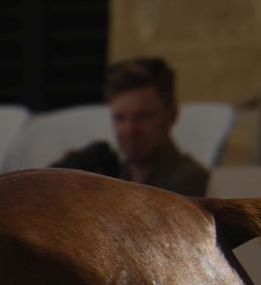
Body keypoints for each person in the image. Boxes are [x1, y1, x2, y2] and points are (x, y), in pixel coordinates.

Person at [54, 56, 210, 197]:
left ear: (171, 116)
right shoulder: (117, 174)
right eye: (119, 118)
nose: (130, 130)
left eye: (143, 116)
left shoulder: (188, 179)